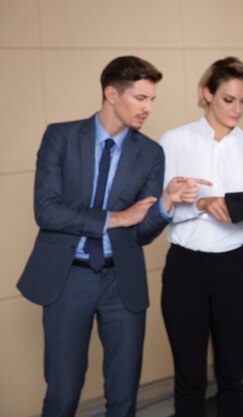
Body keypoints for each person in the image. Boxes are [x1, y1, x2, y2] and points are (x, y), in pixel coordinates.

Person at [17, 55, 202, 417]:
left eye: (152, 99)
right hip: (68, 275)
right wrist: (114, 219)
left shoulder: (150, 153)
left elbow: (143, 232)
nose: (148, 108)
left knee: (123, 394)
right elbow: (47, 210)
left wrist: (164, 203)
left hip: (122, 280)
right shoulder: (62, 137)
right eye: (140, 98)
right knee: (63, 390)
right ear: (111, 93)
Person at [159, 56, 243, 417]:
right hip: (184, 269)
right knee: (189, 377)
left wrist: (230, 207)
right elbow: (163, 209)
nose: (238, 109)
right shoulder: (174, 141)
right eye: (228, 99)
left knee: (233, 377)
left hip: (234, 270)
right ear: (207, 94)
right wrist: (203, 203)